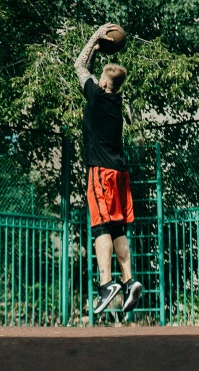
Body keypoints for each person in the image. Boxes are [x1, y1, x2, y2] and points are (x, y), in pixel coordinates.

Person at [74, 23, 142, 315]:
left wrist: (94, 38)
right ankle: (130, 281)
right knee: (117, 228)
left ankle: (106, 284)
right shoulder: (115, 101)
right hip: (120, 173)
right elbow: (90, 72)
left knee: (100, 226)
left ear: (102, 84)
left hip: (100, 172)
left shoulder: (97, 96)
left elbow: (79, 65)